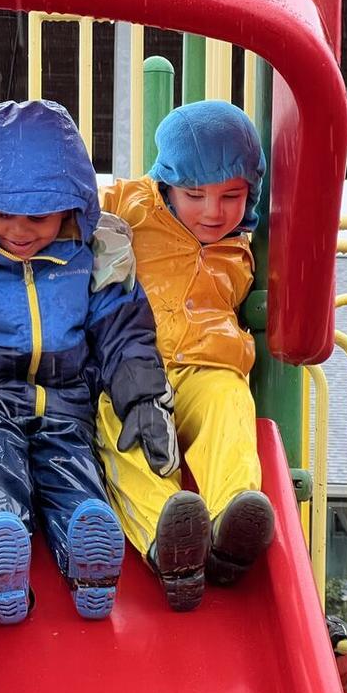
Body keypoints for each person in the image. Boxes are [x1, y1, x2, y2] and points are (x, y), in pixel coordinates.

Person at [0, 100, 177, 624]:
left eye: (38, 215)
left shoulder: (94, 256)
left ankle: (87, 557)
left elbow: (123, 331)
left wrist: (143, 397)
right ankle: (1, 551)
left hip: (68, 403)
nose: (19, 229)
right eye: (3, 213)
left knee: (74, 473)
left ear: (71, 206)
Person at [97, 99, 273, 613]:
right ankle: (167, 537)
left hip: (204, 368)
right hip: (131, 374)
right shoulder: (131, 204)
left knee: (229, 402)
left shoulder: (245, 243)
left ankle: (231, 520)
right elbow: (67, 205)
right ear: (166, 182)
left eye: (231, 196)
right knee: (119, 433)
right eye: (194, 195)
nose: (213, 211)